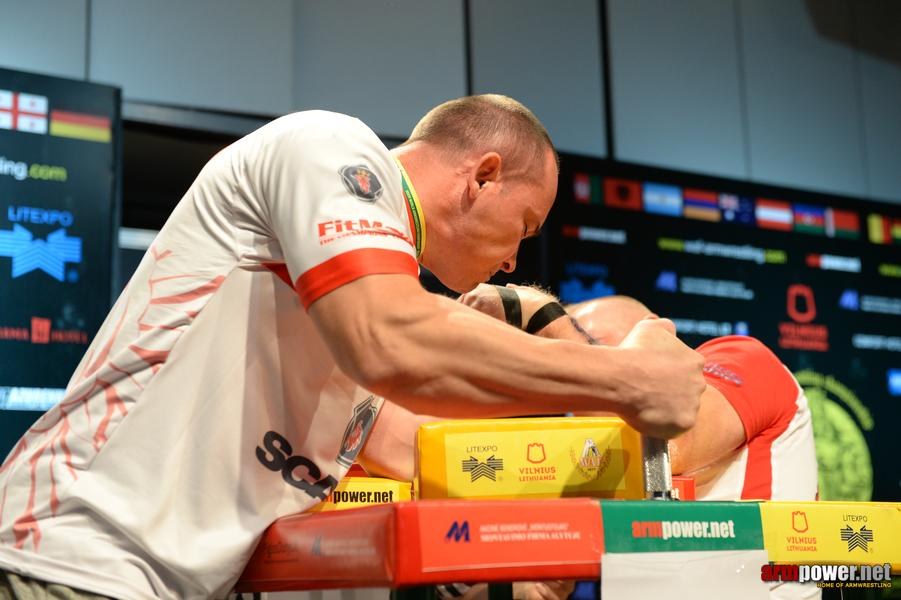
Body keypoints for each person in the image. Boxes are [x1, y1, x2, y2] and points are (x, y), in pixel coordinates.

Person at [0, 96, 706, 600]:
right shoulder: (329, 145)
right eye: (524, 226)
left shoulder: (356, 306)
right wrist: (625, 377)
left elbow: (433, 447)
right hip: (70, 559)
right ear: (481, 174)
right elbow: (394, 340)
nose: (514, 262)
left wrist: (539, 545)